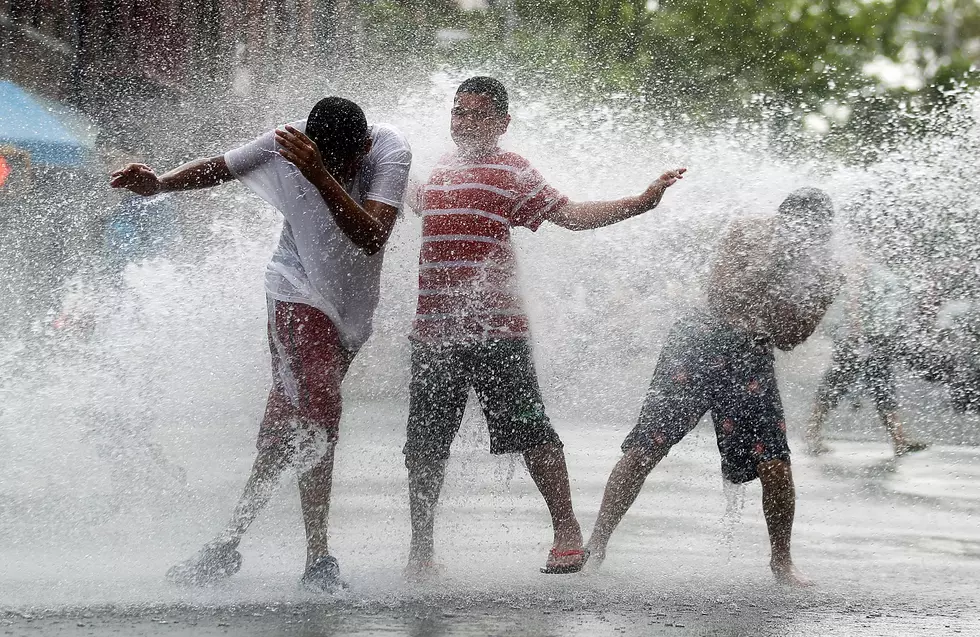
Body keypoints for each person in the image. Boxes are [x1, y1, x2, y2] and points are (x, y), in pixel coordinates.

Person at [109, 97, 412, 591]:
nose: (346, 169)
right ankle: (319, 559)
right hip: (294, 290)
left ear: (365, 145)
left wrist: (320, 175)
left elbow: (373, 236)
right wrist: (161, 184)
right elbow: (222, 167)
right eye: (331, 162)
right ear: (309, 147)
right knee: (319, 406)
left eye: (350, 161)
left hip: (351, 311)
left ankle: (225, 544)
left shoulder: (390, 150)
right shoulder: (286, 142)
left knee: (289, 427)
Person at [404, 76, 686, 577]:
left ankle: (566, 531)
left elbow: (571, 215)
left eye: (477, 114)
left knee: (532, 432)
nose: (464, 122)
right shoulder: (439, 170)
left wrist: (641, 202)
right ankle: (421, 552)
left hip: (497, 331)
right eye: (458, 113)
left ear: (501, 123)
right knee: (425, 444)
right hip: (434, 333)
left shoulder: (511, 170)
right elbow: (409, 199)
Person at [585, 188, 843, 587]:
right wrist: (773, 267)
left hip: (751, 355)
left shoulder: (825, 273)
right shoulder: (748, 234)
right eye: (794, 227)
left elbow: (790, 337)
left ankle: (782, 563)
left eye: (814, 233)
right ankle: (596, 544)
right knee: (646, 446)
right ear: (780, 220)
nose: (802, 238)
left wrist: (798, 290)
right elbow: (719, 296)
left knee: (774, 462)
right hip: (699, 341)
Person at [805, 260, 928, 457]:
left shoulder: (879, 271)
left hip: (873, 339)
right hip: (859, 340)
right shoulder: (863, 268)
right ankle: (812, 436)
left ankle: (899, 440)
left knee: (881, 387)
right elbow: (853, 297)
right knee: (836, 387)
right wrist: (856, 330)